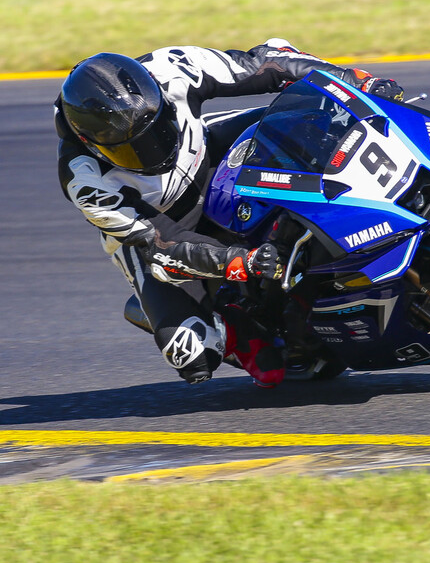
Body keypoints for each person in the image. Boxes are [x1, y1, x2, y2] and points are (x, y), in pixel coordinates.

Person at [55, 40, 405, 385]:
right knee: (192, 354)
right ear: (91, 144)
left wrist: (355, 81)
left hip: (210, 152)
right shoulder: (86, 181)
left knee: (319, 117)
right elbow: (163, 243)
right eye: (132, 149)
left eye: (157, 130)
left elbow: (267, 63)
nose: (153, 150)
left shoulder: (170, 69)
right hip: (162, 228)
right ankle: (235, 321)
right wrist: (241, 261)